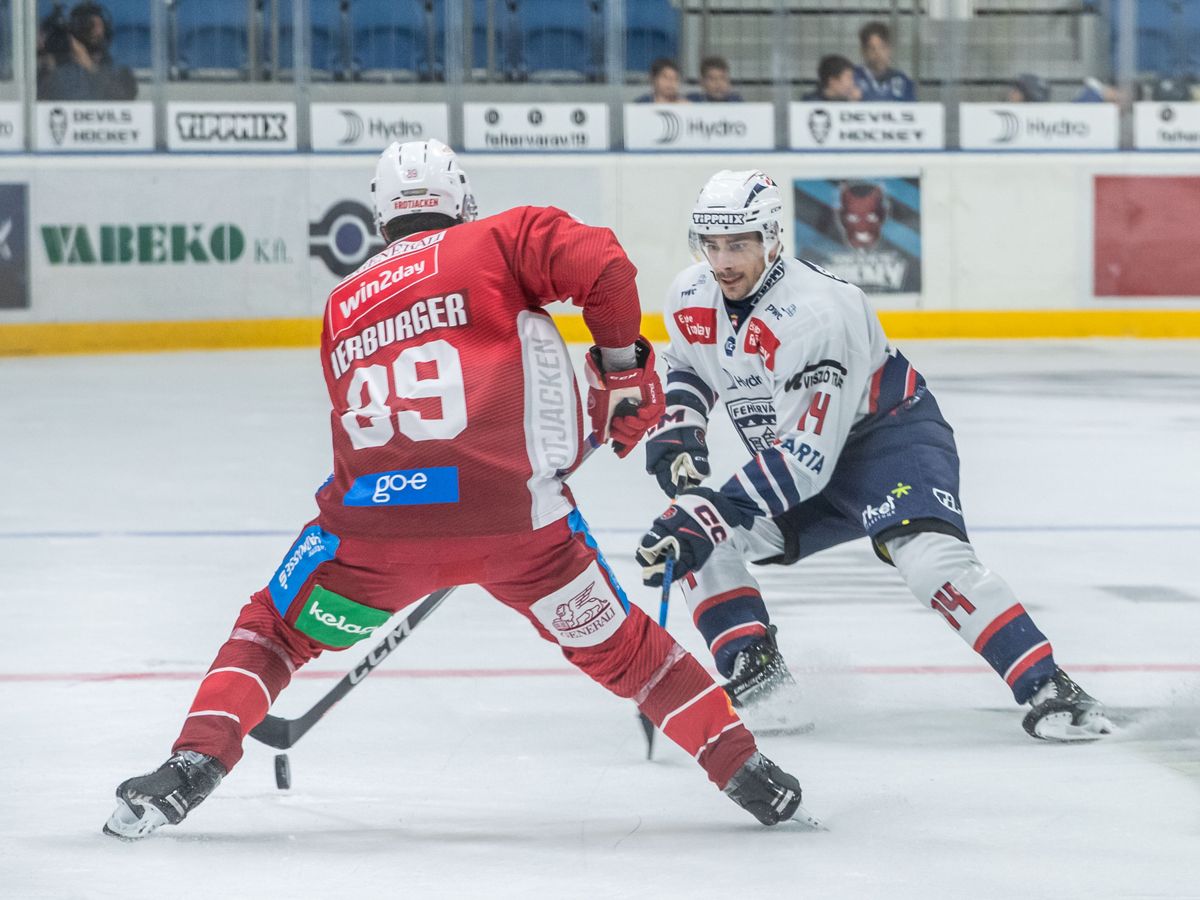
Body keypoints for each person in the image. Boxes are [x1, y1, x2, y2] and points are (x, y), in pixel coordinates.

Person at [103, 141, 818, 841]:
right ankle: (743, 768)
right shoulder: (499, 240)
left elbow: (379, 430)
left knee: (273, 632)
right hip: (521, 528)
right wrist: (625, 372)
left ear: (380, 215)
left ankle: (191, 763)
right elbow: (604, 266)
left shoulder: (341, 302)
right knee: (629, 652)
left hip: (375, 531)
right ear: (463, 201)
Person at [635, 168, 1114, 743]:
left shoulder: (817, 313)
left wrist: (711, 510)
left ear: (771, 239)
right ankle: (760, 678)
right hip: (797, 456)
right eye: (711, 245)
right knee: (705, 543)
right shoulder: (690, 293)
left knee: (930, 562)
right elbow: (690, 364)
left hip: (886, 441)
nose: (723, 261)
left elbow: (804, 462)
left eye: (738, 244)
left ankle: (1049, 686)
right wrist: (679, 426)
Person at [37, 2, 136, 101]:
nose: (89, 29)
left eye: (93, 24)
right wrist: (47, 66)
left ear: (105, 28)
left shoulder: (119, 70)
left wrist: (90, 67)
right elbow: (37, 100)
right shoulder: (59, 66)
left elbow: (125, 98)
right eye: (81, 24)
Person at [854, 21, 914, 102]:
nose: (878, 54)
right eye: (872, 49)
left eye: (883, 47)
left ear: (890, 49)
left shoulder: (902, 81)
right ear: (863, 51)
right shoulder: (852, 78)